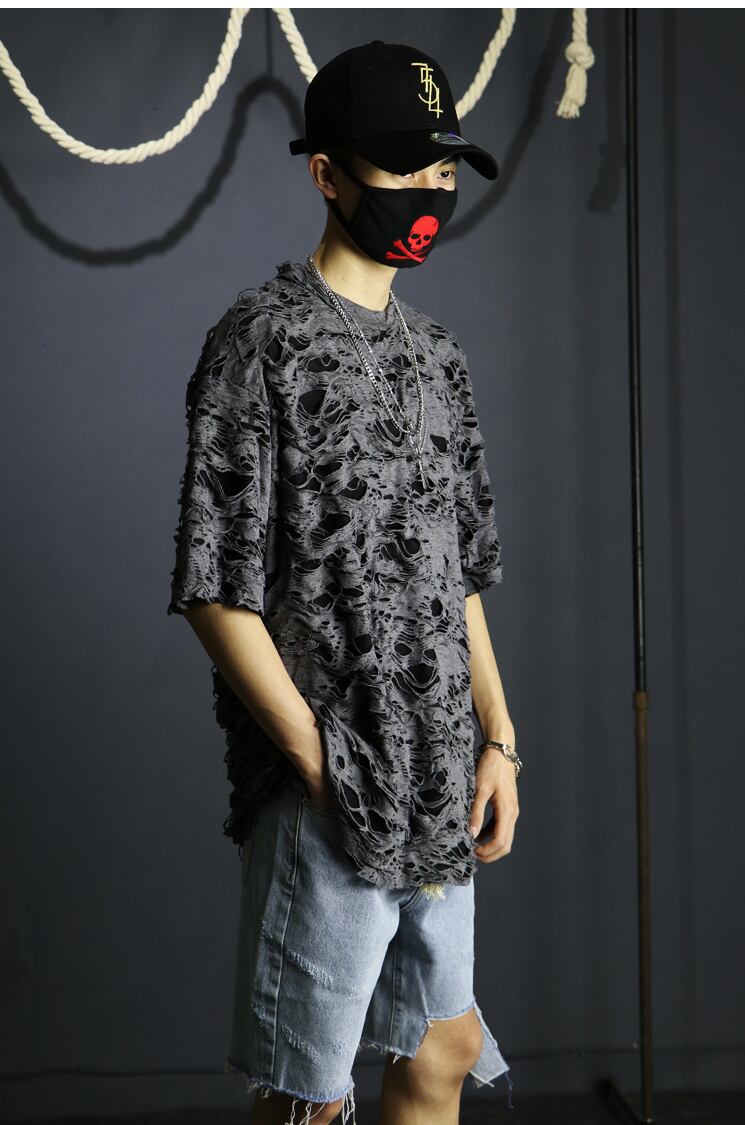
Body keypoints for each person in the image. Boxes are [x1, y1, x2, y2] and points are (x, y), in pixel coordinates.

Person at [167, 38, 521, 1125]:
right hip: (330, 780)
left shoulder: (440, 358)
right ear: (327, 174)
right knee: (309, 1094)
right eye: (401, 167)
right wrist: (315, 759)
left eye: (442, 169)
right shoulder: (260, 342)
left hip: (441, 775)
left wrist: (499, 737)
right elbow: (215, 585)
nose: (427, 191)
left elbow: (461, 570)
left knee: (441, 1046)